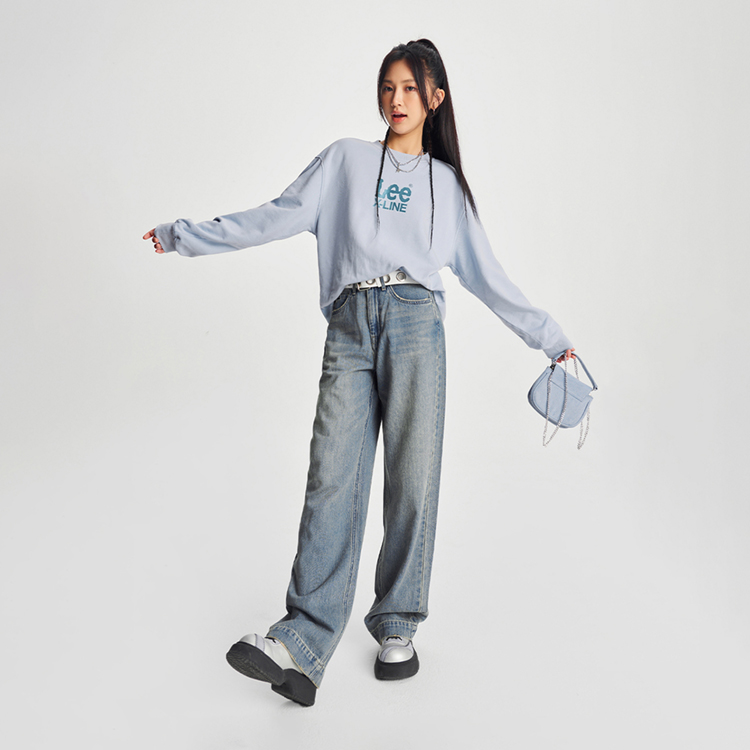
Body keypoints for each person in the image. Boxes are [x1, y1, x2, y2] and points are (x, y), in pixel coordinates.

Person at [143, 38, 576, 707]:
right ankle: (302, 644)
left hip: (416, 322)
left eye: (410, 88)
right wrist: (184, 235)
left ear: (435, 98)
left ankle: (398, 624)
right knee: (331, 475)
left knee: (412, 478)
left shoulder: (447, 187)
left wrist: (553, 341)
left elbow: (489, 278)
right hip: (350, 322)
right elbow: (274, 217)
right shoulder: (344, 161)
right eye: (387, 87)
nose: (396, 99)